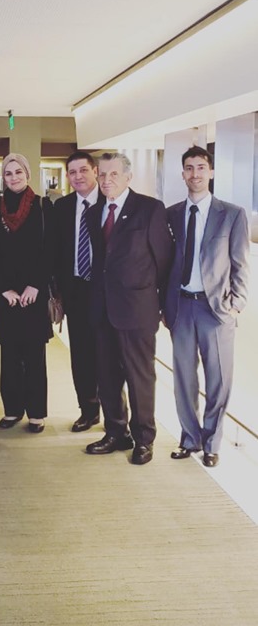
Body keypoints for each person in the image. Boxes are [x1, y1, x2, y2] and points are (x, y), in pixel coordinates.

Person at [85, 153, 174, 465]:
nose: (106, 180)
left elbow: (164, 261)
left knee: (140, 378)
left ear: (128, 177)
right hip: (102, 309)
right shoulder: (94, 212)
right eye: (102, 174)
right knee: (107, 376)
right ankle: (116, 432)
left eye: (113, 174)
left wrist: (161, 306)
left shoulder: (150, 209)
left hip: (137, 310)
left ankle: (144, 439)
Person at [165, 146, 249, 467]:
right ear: (182, 173)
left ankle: (212, 442)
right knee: (183, 380)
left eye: (201, 167)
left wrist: (236, 304)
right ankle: (190, 438)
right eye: (189, 168)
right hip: (181, 308)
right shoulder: (171, 214)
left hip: (216, 311)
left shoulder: (232, 214)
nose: (195, 173)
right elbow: (164, 263)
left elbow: (240, 264)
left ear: (211, 172)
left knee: (219, 380)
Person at [0, 153, 53, 433]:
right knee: (10, 356)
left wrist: (35, 285)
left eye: (18, 172)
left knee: (35, 356)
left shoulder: (43, 207)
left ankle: (36, 413)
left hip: (34, 294)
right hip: (7, 297)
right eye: (8, 173)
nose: (13, 177)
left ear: (27, 174)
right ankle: (12, 410)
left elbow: (50, 250)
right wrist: (3, 289)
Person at [54, 151, 102, 432]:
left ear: (95, 171)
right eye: (72, 172)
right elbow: (56, 251)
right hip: (75, 290)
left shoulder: (110, 202)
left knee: (108, 355)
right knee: (81, 354)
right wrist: (57, 291)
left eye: (83, 170)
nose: (78, 176)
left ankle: (115, 414)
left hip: (106, 291)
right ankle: (88, 410)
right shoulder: (62, 206)